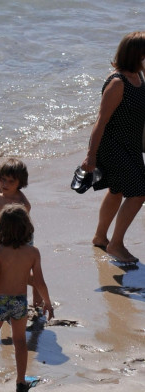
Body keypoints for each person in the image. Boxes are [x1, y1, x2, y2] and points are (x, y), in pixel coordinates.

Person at [0, 204, 54, 392]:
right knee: (20, 341)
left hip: (0, 301)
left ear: (1, 228)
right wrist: (47, 302)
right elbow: (39, 281)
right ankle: (21, 382)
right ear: (27, 228)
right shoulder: (33, 252)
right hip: (20, 302)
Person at [83, 31, 145, 264]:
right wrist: (90, 156)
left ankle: (100, 237)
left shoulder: (138, 76)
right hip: (113, 147)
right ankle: (116, 245)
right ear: (137, 53)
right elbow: (101, 121)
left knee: (117, 190)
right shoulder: (118, 83)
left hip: (131, 146)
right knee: (139, 193)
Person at [0, 158, 41, 315]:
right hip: (4, 235)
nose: (5, 184)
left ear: (20, 183)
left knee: (20, 273)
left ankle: (37, 293)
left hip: (22, 237)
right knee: (6, 271)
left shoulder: (22, 204)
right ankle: (10, 301)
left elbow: (21, 231)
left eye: (10, 181)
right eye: (2, 179)